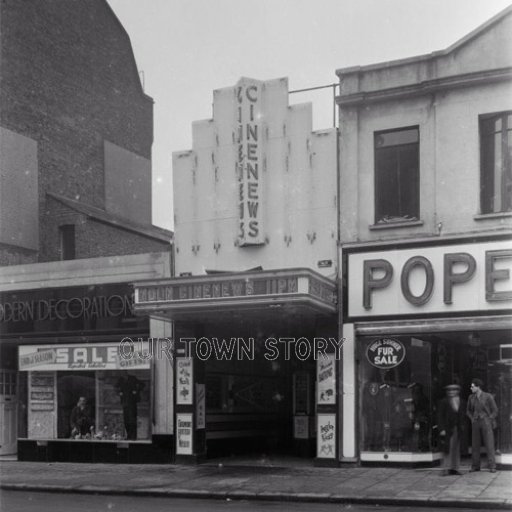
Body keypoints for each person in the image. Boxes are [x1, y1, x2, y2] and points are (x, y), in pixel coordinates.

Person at [466, 378, 498, 473]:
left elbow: (495, 410)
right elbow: (468, 410)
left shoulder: (488, 396)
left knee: (489, 444)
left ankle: (492, 466)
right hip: (475, 423)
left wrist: (489, 419)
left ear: (478, 387)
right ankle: (475, 466)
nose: (471, 388)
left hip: (486, 422)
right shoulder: (471, 397)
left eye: (472, 386)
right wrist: (472, 418)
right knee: (475, 445)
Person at [438, 384, 466, 475]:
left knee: (456, 449)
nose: (451, 392)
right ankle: (445, 469)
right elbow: (439, 416)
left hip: (458, 428)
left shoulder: (462, 402)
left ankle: (455, 468)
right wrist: (441, 429)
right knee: (447, 448)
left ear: (458, 391)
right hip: (447, 428)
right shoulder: (444, 402)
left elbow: (463, 415)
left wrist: (463, 426)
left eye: (454, 390)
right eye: (449, 391)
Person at [116, 374, 145, 440]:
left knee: (132, 420)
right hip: (125, 403)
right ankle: (129, 436)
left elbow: (142, 384)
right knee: (126, 420)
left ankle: (133, 437)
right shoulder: (121, 380)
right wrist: (119, 392)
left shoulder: (133, 378)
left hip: (132, 402)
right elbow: (115, 387)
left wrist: (136, 391)